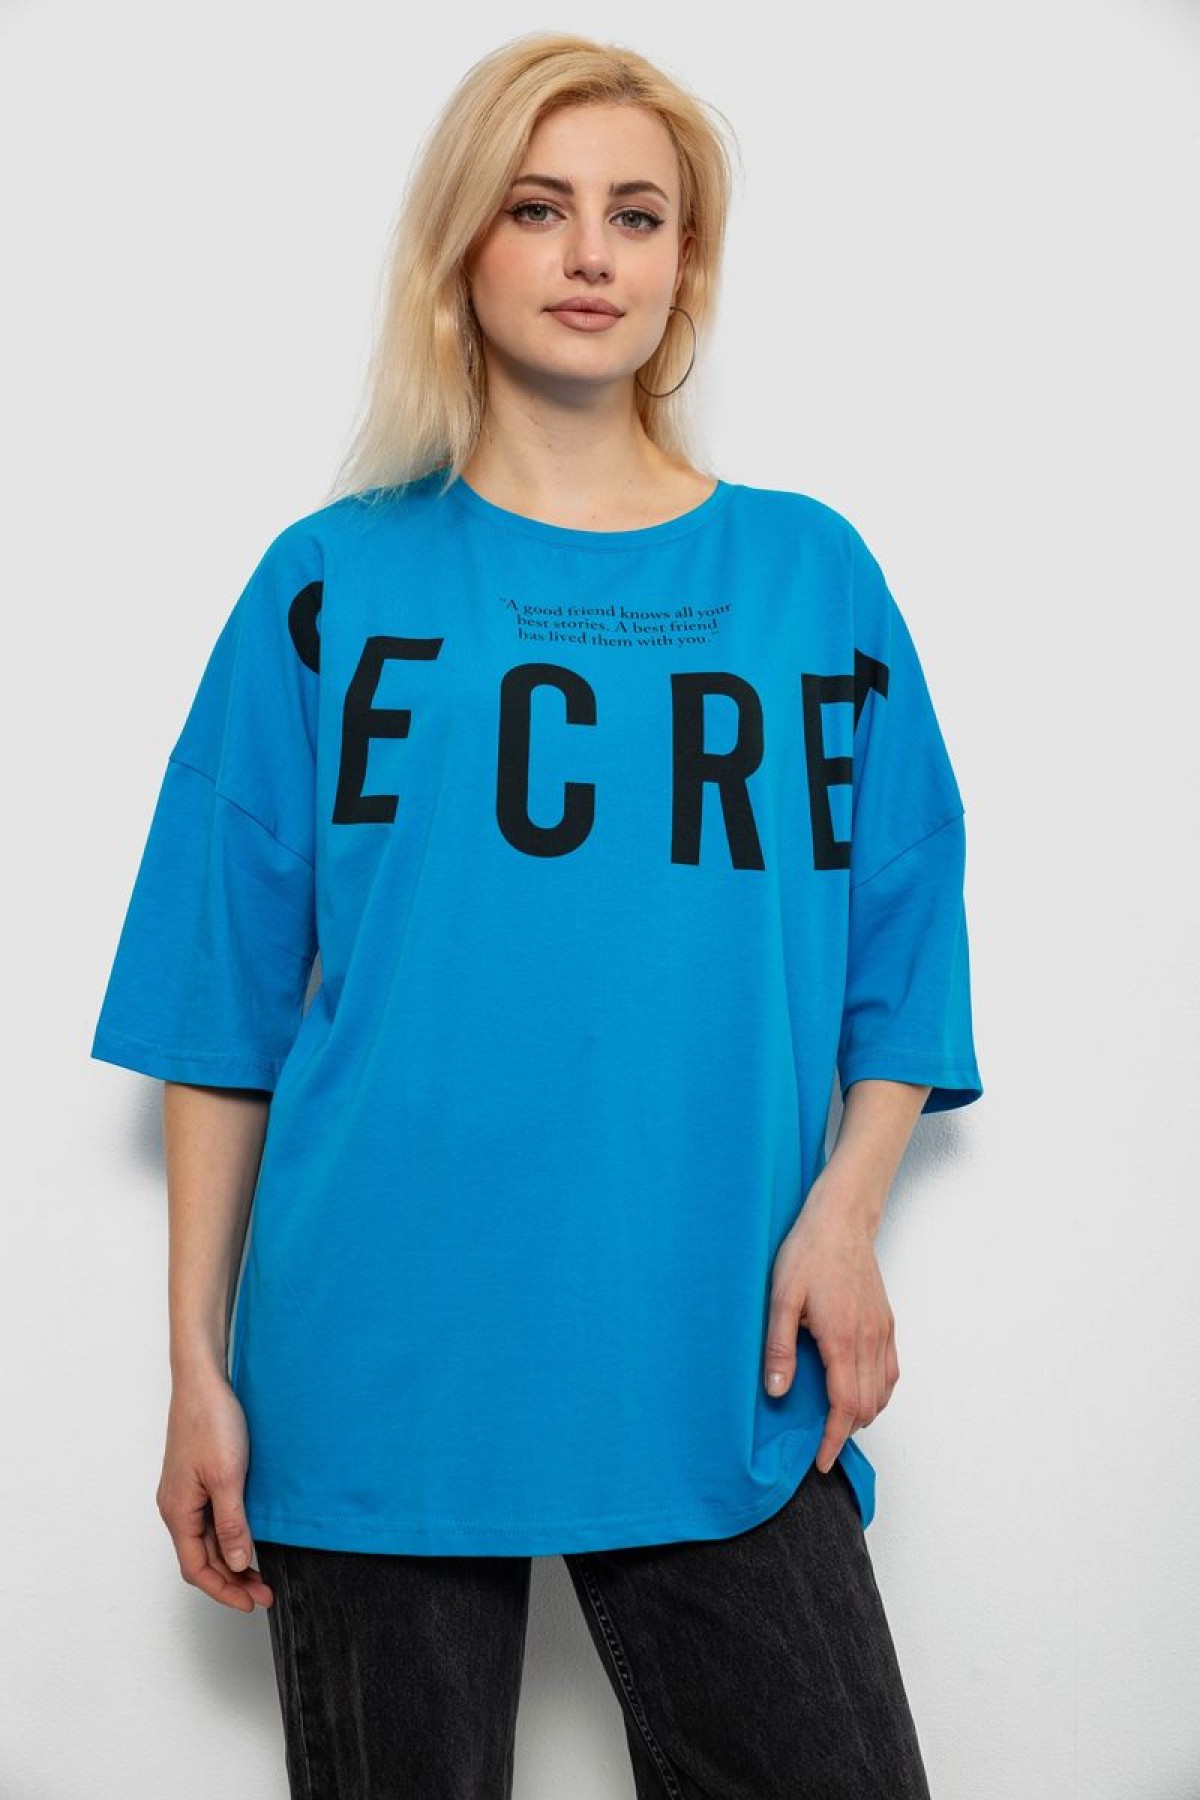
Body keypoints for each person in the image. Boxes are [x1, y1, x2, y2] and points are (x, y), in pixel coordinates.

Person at [90, 30, 982, 1800]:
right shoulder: (330, 583)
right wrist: (194, 1364)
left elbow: (905, 942)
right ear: (462, 248)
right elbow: (221, 1000)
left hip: (722, 1349)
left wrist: (846, 1215)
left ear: (685, 264)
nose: (592, 255)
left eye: (637, 215)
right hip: (376, 1357)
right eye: (538, 207)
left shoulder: (811, 575)